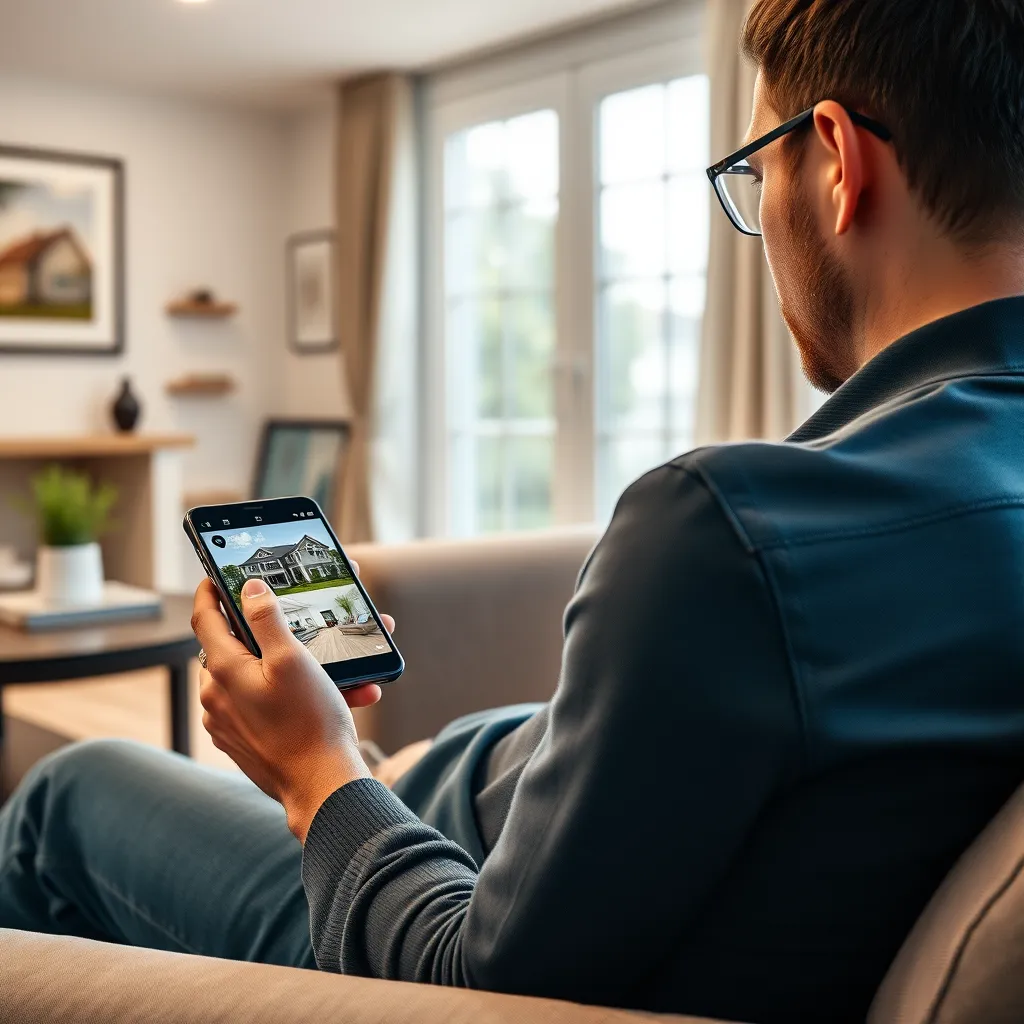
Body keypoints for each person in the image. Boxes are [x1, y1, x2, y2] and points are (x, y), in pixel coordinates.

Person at [3, 1, 1024, 1021]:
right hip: (467, 809)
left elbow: (471, 985)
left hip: (426, 890)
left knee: (67, 793)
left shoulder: (729, 531)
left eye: (756, 174)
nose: (757, 220)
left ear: (839, 163)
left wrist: (318, 769)